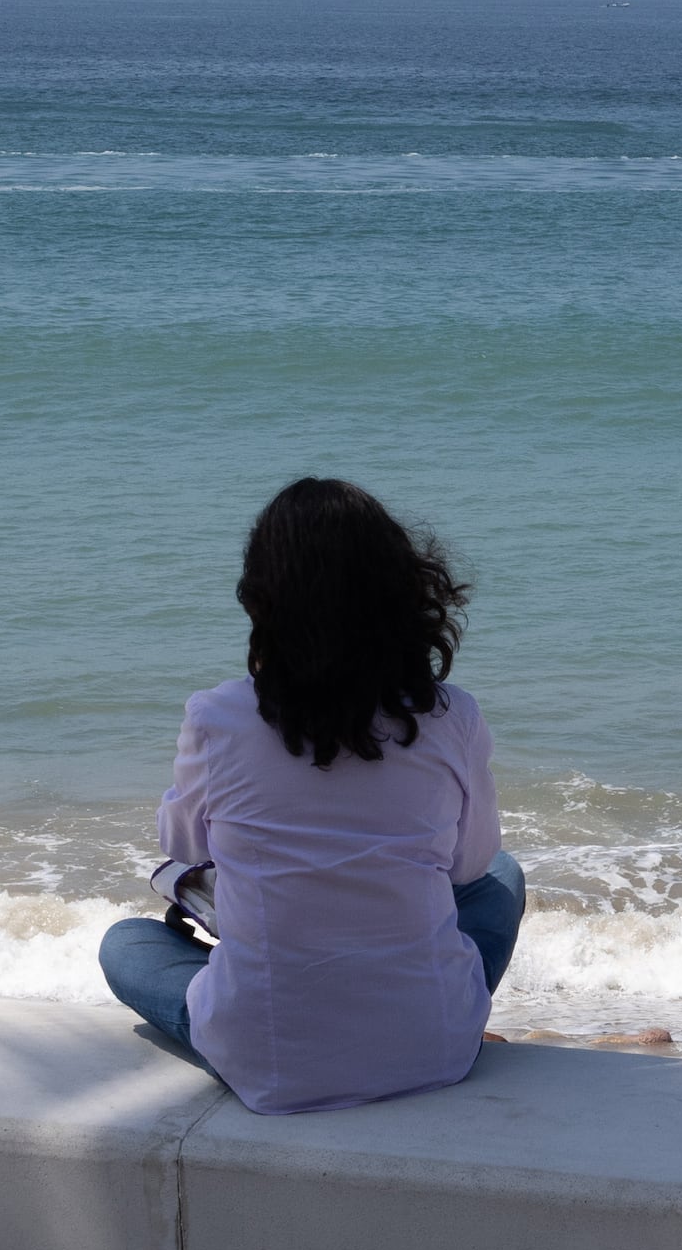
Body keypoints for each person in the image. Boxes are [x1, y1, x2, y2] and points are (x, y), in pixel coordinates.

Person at [102, 477, 523, 1114]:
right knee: (502, 876)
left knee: (127, 944)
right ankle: (419, 1003)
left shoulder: (219, 716)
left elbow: (183, 844)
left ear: (265, 599)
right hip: (433, 1049)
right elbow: (467, 866)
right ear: (400, 590)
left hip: (275, 1063)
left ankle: (255, 992)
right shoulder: (451, 716)